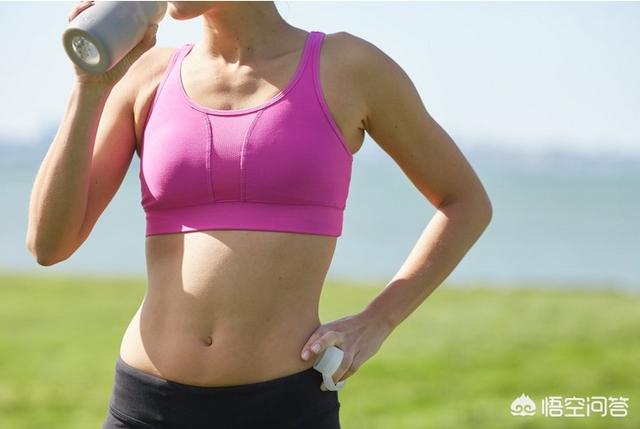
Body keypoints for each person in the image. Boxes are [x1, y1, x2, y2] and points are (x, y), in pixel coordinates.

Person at [26, 1, 492, 428]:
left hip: (283, 407)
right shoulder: (147, 75)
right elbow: (48, 245)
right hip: (146, 407)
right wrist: (89, 86)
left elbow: (465, 202)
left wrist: (378, 320)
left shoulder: (349, 67)